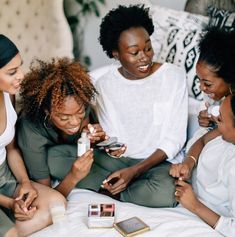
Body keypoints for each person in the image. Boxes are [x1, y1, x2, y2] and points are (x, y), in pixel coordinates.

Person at [91, 4, 188, 207]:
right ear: (115, 54)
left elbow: (175, 138)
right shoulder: (104, 84)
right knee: (57, 158)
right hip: (119, 161)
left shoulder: (173, 77)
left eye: (148, 48)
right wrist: (105, 144)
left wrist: (135, 172)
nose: (145, 57)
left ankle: (109, 190)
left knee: (168, 193)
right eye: (134, 52)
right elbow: (111, 136)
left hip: (156, 162)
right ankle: (118, 186)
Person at [17, 57, 119, 197]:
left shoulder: (80, 103)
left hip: (78, 157)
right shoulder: (31, 131)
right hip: (58, 161)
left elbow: (91, 143)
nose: (75, 122)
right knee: (52, 158)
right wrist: (73, 177)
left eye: (80, 113)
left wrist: (97, 139)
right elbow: (46, 195)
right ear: (47, 111)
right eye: (64, 117)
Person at [0, 35, 66, 237]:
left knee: (57, 204)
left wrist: (26, 182)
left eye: (20, 67)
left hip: (5, 176)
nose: (21, 75)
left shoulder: (8, 93)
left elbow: (11, 149)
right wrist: (11, 204)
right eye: (12, 72)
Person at [169, 94, 235, 237]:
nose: (216, 120)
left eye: (221, 119)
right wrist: (188, 163)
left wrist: (195, 206)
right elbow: (203, 140)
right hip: (185, 180)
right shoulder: (225, 134)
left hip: (193, 201)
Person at [186, 28, 235, 150]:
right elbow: (205, 110)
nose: (201, 88)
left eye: (207, 84)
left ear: (229, 78)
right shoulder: (211, 95)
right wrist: (204, 119)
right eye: (199, 80)